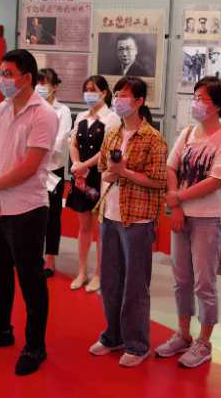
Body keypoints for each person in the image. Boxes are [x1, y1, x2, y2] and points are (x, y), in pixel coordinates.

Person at [0, 49, 58, 377]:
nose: (2, 80)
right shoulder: (3, 108)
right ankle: (0, 328)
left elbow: (30, 166)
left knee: (31, 280)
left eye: (8, 74)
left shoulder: (44, 114)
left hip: (27, 209)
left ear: (27, 78)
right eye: (1, 73)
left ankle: (35, 345)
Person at [157, 77, 221, 368]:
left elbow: (215, 180)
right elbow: (171, 167)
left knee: (204, 282)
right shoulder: (188, 133)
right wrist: (176, 206)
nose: (195, 103)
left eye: (201, 98)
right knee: (181, 280)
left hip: (208, 219)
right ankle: (183, 333)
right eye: (195, 96)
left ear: (217, 105)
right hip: (182, 215)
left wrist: (178, 197)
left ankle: (204, 341)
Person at [88, 77, 167, 368]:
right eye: (117, 94)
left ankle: (137, 344)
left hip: (138, 219)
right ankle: (113, 335)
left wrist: (125, 172)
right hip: (109, 214)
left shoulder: (153, 138)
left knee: (135, 285)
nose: (119, 100)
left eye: (125, 95)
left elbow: (159, 180)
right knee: (110, 282)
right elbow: (102, 168)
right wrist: (111, 172)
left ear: (139, 101)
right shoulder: (112, 132)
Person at [65, 75, 120, 292]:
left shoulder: (112, 118)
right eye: (86, 89)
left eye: (93, 90)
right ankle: (82, 271)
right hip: (80, 176)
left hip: (99, 177)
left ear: (104, 93)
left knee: (101, 228)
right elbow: (73, 142)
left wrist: (85, 165)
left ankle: (99, 273)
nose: (89, 93)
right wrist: (77, 164)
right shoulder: (81, 116)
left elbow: (106, 150)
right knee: (84, 226)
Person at [35, 68, 72, 278]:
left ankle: (50, 258)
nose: (40, 87)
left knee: (52, 216)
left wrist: (38, 153)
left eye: (45, 83)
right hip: (31, 169)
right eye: (38, 83)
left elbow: (60, 140)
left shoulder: (62, 111)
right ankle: (34, 254)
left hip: (52, 169)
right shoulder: (32, 107)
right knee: (32, 213)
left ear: (55, 86)